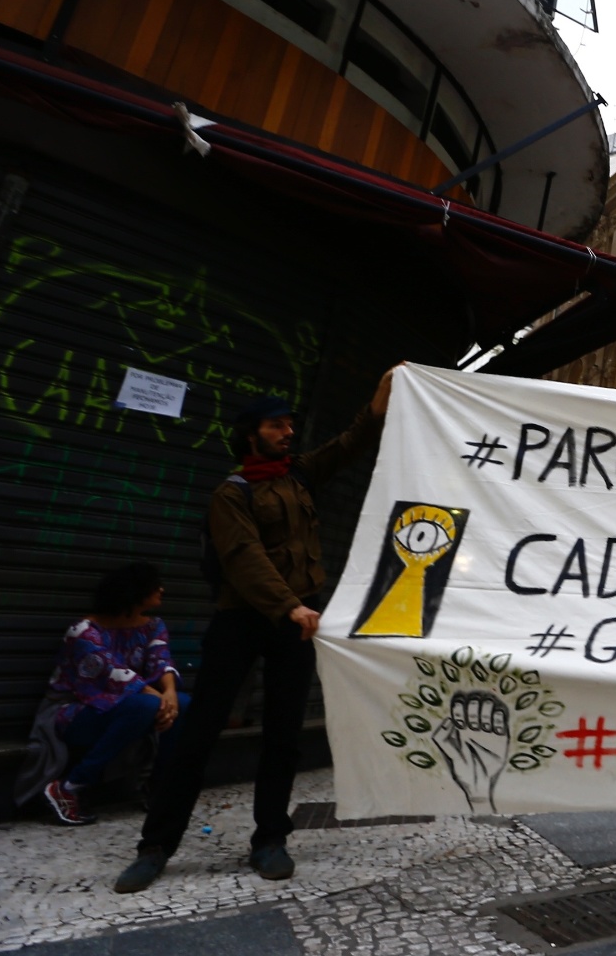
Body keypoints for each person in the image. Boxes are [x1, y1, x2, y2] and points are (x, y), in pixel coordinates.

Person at [115, 370, 396, 894]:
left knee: (283, 736)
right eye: (276, 425)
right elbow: (244, 559)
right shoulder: (231, 494)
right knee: (198, 736)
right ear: (251, 434)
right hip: (243, 621)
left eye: (290, 423)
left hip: (297, 622)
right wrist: (288, 605)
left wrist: (379, 397)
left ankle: (271, 839)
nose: (288, 431)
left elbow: (351, 443)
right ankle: (155, 847)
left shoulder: (299, 475)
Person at [15, 564, 190, 825]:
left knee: (185, 704)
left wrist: (171, 694)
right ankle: (69, 786)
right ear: (133, 593)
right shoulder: (84, 631)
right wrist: (158, 699)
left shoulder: (153, 626)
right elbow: (113, 673)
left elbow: (161, 660)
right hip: (73, 711)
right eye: (154, 585)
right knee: (144, 706)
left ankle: (159, 788)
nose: (161, 589)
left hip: (127, 706)